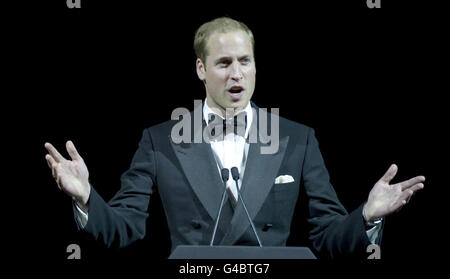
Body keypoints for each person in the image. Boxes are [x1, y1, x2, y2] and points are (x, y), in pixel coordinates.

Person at [44, 17, 425, 258]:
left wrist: (366, 216)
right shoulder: (160, 141)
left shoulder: (297, 138)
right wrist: (86, 199)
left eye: (245, 61)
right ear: (201, 69)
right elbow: (125, 229)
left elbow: (327, 236)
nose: (236, 73)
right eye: (224, 63)